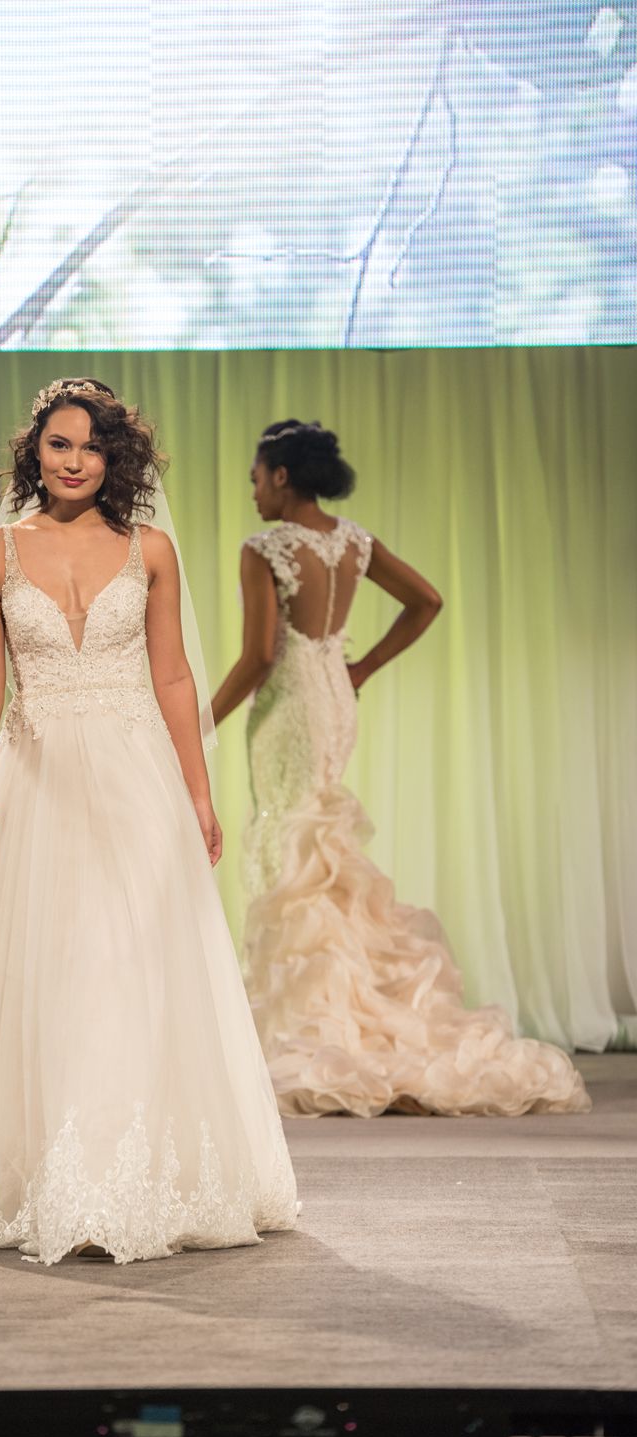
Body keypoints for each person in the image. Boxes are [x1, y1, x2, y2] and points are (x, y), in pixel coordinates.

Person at [0, 379, 298, 1263]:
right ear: (35, 452)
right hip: (38, 776)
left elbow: (172, 679)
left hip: (136, 780)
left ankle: (126, 1177)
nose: (76, 461)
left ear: (115, 457)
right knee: (50, 970)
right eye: (60, 444)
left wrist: (200, 795)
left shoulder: (151, 550)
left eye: (92, 447)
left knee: (129, 966)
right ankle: (48, 1175)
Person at [211, 420, 590, 1118]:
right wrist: (360, 668)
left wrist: (204, 718)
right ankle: (343, 1003)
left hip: (291, 707)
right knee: (321, 847)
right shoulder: (353, 542)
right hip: (333, 698)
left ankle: (313, 1020)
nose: (255, 490)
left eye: (257, 476)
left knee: (291, 847)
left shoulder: (264, 547)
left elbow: (261, 656)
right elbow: (429, 602)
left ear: (283, 476)